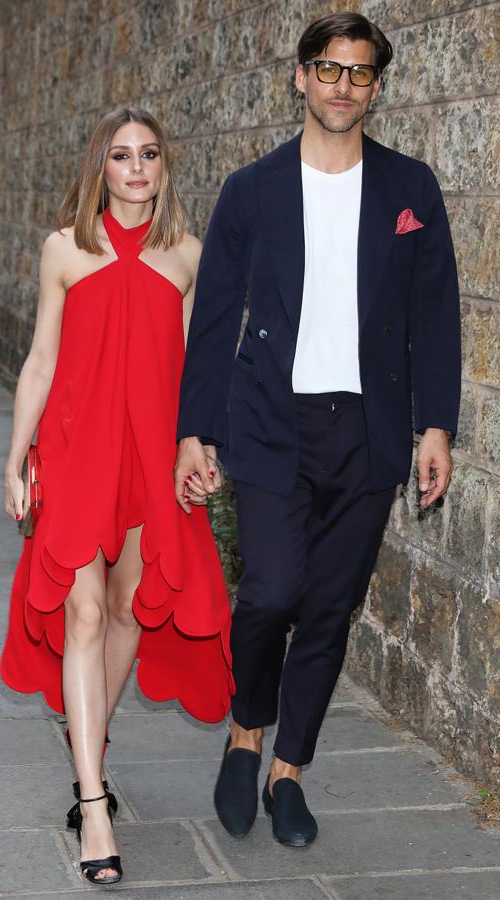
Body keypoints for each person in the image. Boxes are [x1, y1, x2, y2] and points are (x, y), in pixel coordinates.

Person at [175, 11, 460, 849]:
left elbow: (434, 316)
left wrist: (435, 425)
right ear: (300, 77)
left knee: (330, 608)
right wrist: (196, 431)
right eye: (328, 69)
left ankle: (289, 770)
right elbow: (216, 317)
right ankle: (245, 728)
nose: (342, 86)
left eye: (360, 72)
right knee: (268, 591)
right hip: (271, 423)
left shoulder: (412, 191)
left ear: (377, 86)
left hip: (368, 431)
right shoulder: (251, 190)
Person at [0, 107, 233, 886]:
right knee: (86, 611)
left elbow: (199, 376)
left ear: (165, 167)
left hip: (151, 463)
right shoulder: (65, 249)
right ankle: (94, 802)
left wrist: (198, 449)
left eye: (151, 154)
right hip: (75, 455)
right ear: (101, 165)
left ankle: (86, 743)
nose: (137, 168)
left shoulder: (189, 257)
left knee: (134, 609)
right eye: (123, 155)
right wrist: (13, 459)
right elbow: (39, 360)